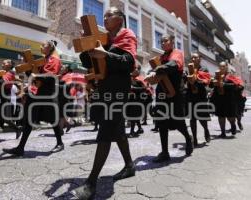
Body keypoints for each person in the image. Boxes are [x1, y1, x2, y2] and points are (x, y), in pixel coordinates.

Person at [72, 7, 137, 199]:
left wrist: (106, 55)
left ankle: (91, 183)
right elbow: (88, 62)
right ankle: (129, 165)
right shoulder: (105, 39)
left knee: (106, 131)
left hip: (118, 90)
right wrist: (87, 45)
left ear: (120, 19)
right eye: (105, 15)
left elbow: (128, 62)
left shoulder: (127, 35)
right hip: (104, 88)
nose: (105, 18)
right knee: (116, 130)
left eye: (110, 15)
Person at [2, 40, 65, 156]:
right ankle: (20, 148)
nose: (41, 47)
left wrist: (37, 75)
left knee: (53, 120)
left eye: (44, 45)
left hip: (49, 94)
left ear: (50, 47)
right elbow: (34, 76)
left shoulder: (54, 59)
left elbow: (51, 76)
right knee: (29, 120)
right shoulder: (43, 60)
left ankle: (60, 143)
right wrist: (28, 68)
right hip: (39, 93)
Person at [145, 34, 193, 163]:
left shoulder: (177, 53)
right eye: (161, 41)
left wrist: (158, 69)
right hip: (162, 93)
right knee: (161, 122)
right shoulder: (161, 57)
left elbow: (173, 64)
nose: (162, 43)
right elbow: (152, 70)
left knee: (178, 122)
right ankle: (164, 152)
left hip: (176, 93)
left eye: (165, 41)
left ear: (172, 42)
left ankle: (188, 139)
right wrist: (150, 74)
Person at [211, 61, 243, 137]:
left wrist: (225, 84)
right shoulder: (216, 76)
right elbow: (211, 86)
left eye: (223, 66)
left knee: (230, 117)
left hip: (229, 100)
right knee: (220, 116)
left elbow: (236, 86)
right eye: (220, 66)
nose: (221, 68)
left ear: (226, 67)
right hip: (219, 99)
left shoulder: (231, 76)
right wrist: (213, 83)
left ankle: (233, 125)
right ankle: (223, 133)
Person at [186, 53, 211, 146]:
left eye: (195, 57)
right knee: (192, 119)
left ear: (199, 59)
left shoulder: (204, 69)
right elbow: (185, 81)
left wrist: (195, 80)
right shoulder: (187, 70)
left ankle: (206, 130)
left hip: (201, 97)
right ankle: (195, 139)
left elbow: (206, 82)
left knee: (202, 118)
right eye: (192, 57)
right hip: (191, 97)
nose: (193, 59)